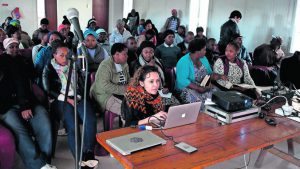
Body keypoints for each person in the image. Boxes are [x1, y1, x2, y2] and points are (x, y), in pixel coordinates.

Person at [0, 38, 56, 169]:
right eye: (11, 47)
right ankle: (37, 165)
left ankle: (45, 159)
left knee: (44, 120)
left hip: (27, 101)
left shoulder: (22, 60)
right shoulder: (2, 61)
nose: (14, 49)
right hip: (7, 106)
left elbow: (27, 80)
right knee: (18, 129)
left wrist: (25, 105)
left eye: (16, 46)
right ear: (5, 48)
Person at [42, 41, 97, 167]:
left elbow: (81, 82)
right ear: (54, 55)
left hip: (77, 96)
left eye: (67, 54)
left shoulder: (73, 64)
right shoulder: (48, 68)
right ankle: (79, 160)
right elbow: (48, 89)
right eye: (61, 55)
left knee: (90, 119)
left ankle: (88, 153)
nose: (65, 58)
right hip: (60, 99)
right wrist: (68, 100)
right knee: (73, 126)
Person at [176, 38, 226, 111]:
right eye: (204, 49)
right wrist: (198, 88)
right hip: (187, 88)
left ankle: (218, 116)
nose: (206, 51)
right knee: (200, 104)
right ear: (197, 51)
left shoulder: (203, 58)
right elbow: (182, 80)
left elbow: (209, 74)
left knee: (220, 97)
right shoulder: (183, 61)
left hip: (202, 84)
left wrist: (220, 76)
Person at [90, 43, 130, 116]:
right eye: (125, 54)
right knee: (126, 111)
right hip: (105, 95)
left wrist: (132, 86)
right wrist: (124, 89)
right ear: (117, 55)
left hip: (121, 93)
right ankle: (130, 126)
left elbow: (128, 79)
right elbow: (104, 85)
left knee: (137, 106)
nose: (127, 56)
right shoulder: (105, 66)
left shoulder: (124, 64)